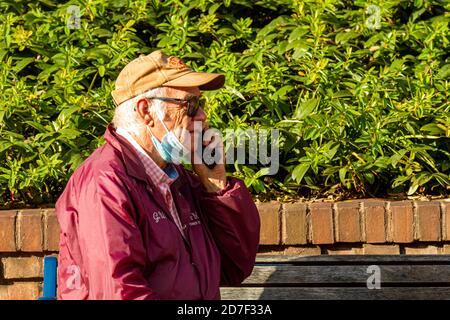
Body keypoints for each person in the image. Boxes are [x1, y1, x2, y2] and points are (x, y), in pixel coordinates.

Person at [55, 50, 261, 300]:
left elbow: (234, 267)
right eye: (191, 106)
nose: (203, 116)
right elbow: (121, 291)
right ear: (146, 111)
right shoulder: (105, 183)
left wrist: (216, 185)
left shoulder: (176, 178)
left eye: (201, 104)